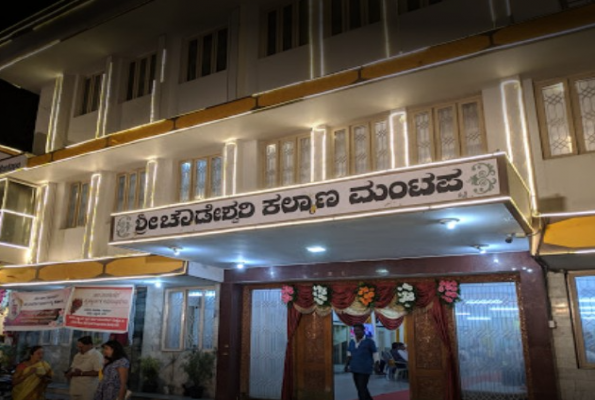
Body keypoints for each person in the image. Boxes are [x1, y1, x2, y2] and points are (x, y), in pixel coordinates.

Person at [344, 323, 380, 400]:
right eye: (355, 330)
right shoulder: (352, 341)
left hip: (365, 368)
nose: (356, 332)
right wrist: (346, 365)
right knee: (360, 388)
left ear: (364, 330)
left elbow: (375, 354)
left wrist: (376, 365)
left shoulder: (369, 341)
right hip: (354, 368)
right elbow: (349, 354)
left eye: (358, 330)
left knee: (361, 388)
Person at [66, 336, 104, 400]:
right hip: (75, 387)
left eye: (81, 347)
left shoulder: (96, 355)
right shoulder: (77, 355)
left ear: (90, 345)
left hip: (88, 389)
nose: (79, 349)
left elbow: (100, 372)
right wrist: (69, 373)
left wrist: (81, 373)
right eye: (78, 347)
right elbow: (72, 367)